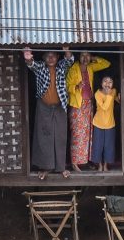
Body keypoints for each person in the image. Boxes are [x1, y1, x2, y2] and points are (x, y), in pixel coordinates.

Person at [24, 45, 74, 179]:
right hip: (44, 106)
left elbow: (70, 60)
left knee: (60, 136)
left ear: (58, 58)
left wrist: (66, 51)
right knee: (44, 136)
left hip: (60, 106)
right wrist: (28, 59)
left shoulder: (61, 67)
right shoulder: (41, 67)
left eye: (53, 56)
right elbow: (32, 65)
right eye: (48, 56)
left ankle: (61, 168)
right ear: (44, 58)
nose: (51, 58)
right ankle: (46, 168)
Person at [65, 51, 111, 173]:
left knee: (89, 134)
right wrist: (76, 87)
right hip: (77, 105)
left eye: (88, 55)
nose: (85, 58)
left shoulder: (91, 67)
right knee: (77, 133)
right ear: (78, 57)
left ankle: (86, 161)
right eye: (82, 55)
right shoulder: (73, 69)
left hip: (88, 104)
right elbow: (67, 85)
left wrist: (95, 57)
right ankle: (75, 162)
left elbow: (106, 63)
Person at [90, 76, 120, 172]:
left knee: (109, 146)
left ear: (113, 84)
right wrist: (108, 95)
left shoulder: (113, 91)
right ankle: (99, 165)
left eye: (110, 82)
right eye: (105, 81)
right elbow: (104, 107)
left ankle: (106, 166)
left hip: (110, 123)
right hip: (98, 123)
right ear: (101, 83)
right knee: (98, 145)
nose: (107, 84)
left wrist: (119, 98)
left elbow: (116, 100)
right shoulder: (97, 94)